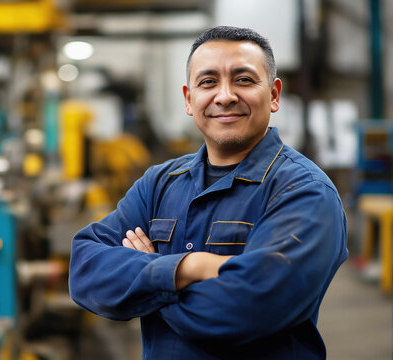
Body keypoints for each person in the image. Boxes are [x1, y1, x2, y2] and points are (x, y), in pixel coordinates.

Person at [69, 26, 348, 359]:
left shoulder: (305, 192)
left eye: (243, 80)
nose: (225, 95)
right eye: (208, 82)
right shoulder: (159, 183)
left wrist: (149, 276)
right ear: (189, 99)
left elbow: (246, 310)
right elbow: (84, 268)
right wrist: (191, 267)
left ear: (274, 95)